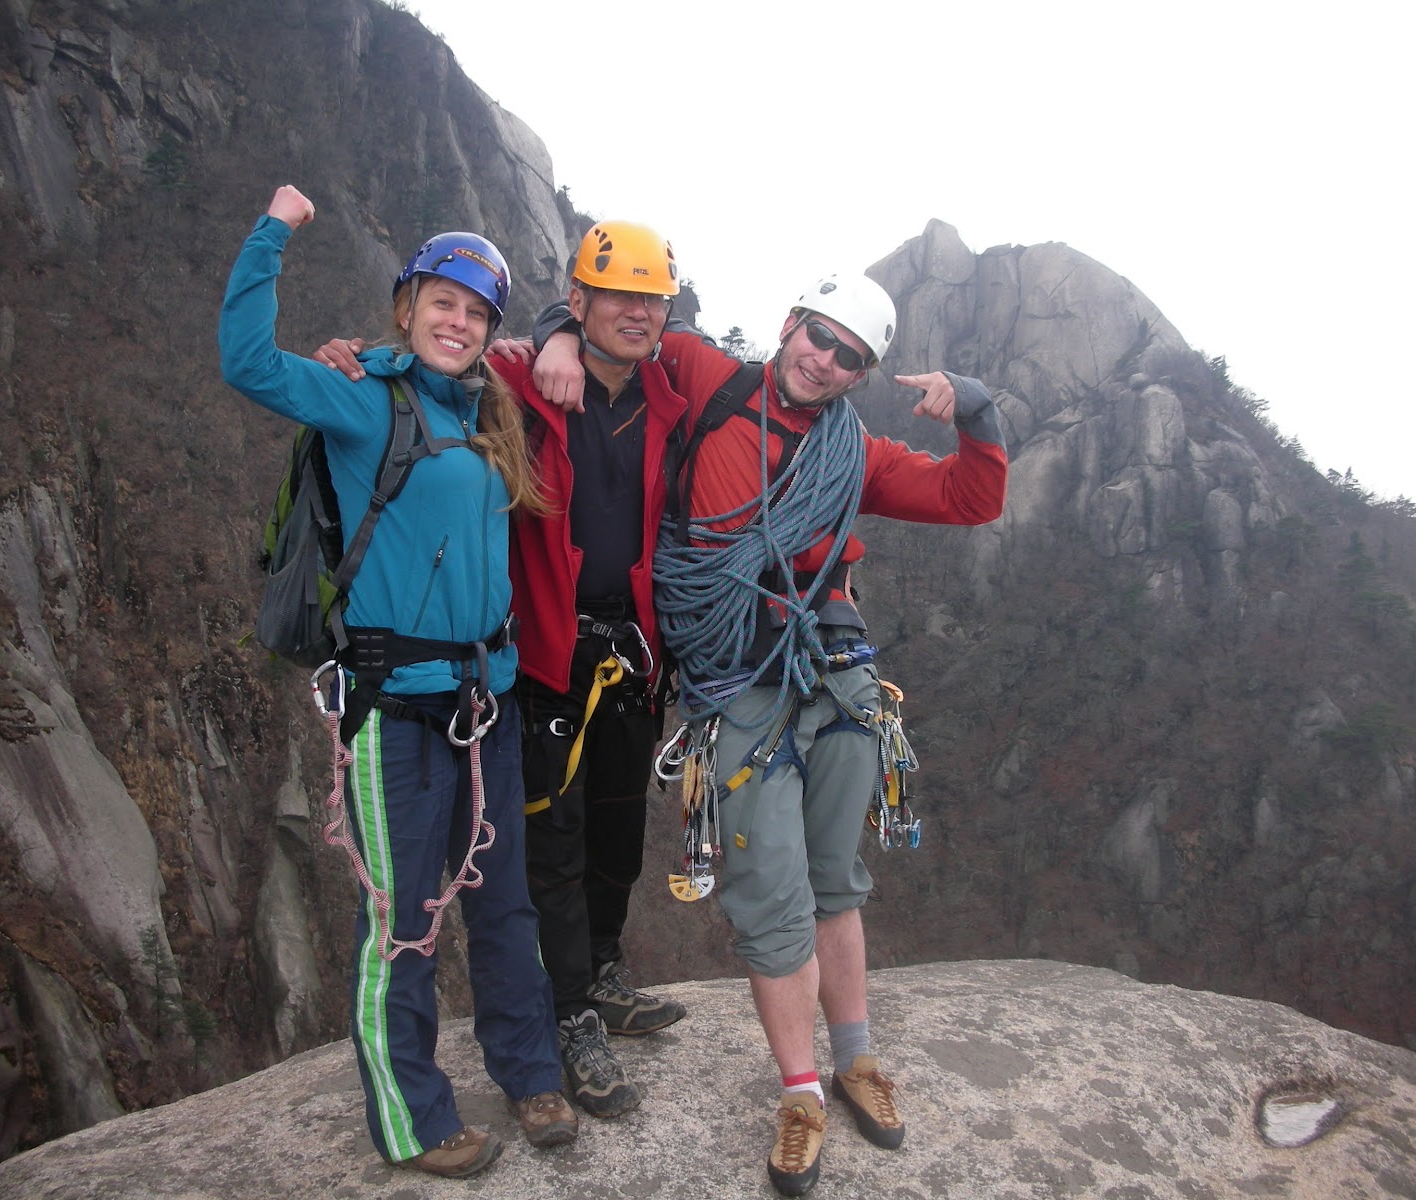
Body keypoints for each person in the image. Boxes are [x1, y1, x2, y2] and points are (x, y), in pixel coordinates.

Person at [532, 273, 1008, 1195]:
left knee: (837, 880)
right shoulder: (708, 379)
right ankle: (799, 1094)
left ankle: (856, 1059)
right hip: (737, 684)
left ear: (860, 373)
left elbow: (968, 499)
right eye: (817, 337)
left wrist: (978, 415)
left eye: (848, 356)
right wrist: (555, 332)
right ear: (790, 324)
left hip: (835, 672)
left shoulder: (854, 451)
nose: (823, 360)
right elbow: (622, 326)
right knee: (768, 891)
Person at [219, 184, 576, 1180]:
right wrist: (274, 228)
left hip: (485, 702)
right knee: (403, 919)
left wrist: (559, 329)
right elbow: (244, 361)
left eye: (474, 313)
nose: (456, 323)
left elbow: (587, 351)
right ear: (406, 307)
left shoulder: (488, 415)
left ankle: (529, 1067)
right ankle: (412, 1119)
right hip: (394, 708)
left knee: (502, 901)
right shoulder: (363, 399)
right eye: (440, 304)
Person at [315, 220, 692, 1121]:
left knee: (612, 838)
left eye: (652, 300)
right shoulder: (517, 379)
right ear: (579, 298)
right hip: (536, 658)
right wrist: (359, 357)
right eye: (614, 296)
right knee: (541, 855)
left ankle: (598, 979)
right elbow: (452, 356)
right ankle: (564, 1020)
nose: (635, 314)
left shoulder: (671, 390)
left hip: (628, 654)